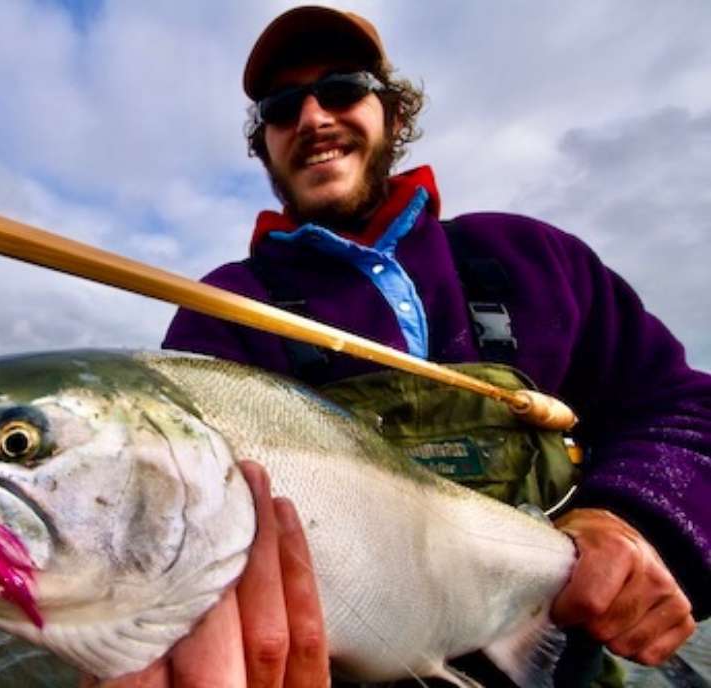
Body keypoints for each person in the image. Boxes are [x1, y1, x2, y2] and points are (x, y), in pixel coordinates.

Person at [106, 6, 710, 686]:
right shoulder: (223, 311)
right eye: (281, 107)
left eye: (341, 89)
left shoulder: (533, 256)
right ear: (264, 143)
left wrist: (633, 524)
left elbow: (685, 409)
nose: (312, 119)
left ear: (393, 114)